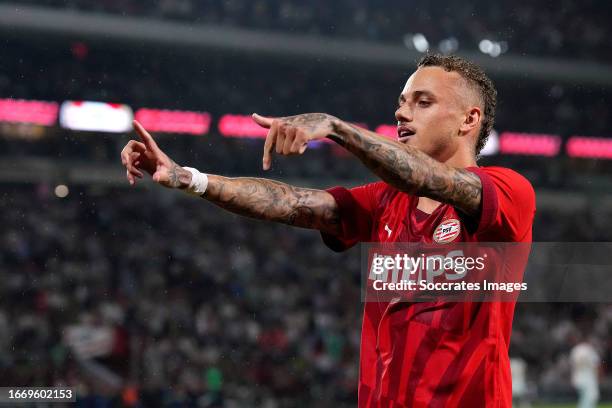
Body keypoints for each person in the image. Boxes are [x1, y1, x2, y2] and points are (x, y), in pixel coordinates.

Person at [121, 54, 536, 407]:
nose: (402, 112)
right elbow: (293, 203)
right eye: (402, 102)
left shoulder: (510, 192)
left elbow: (430, 179)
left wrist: (336, 128)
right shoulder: (385, 201)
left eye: (422, 102)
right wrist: (190, 178)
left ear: (469, 118)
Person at [570, 337, 600, 408]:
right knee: (591, 397)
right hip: (588, 378)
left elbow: (573, 365)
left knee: (584, 398)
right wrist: (597, 376)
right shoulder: (589, 349)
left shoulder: (575, 350)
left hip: (578, 378)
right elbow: (596, 364)